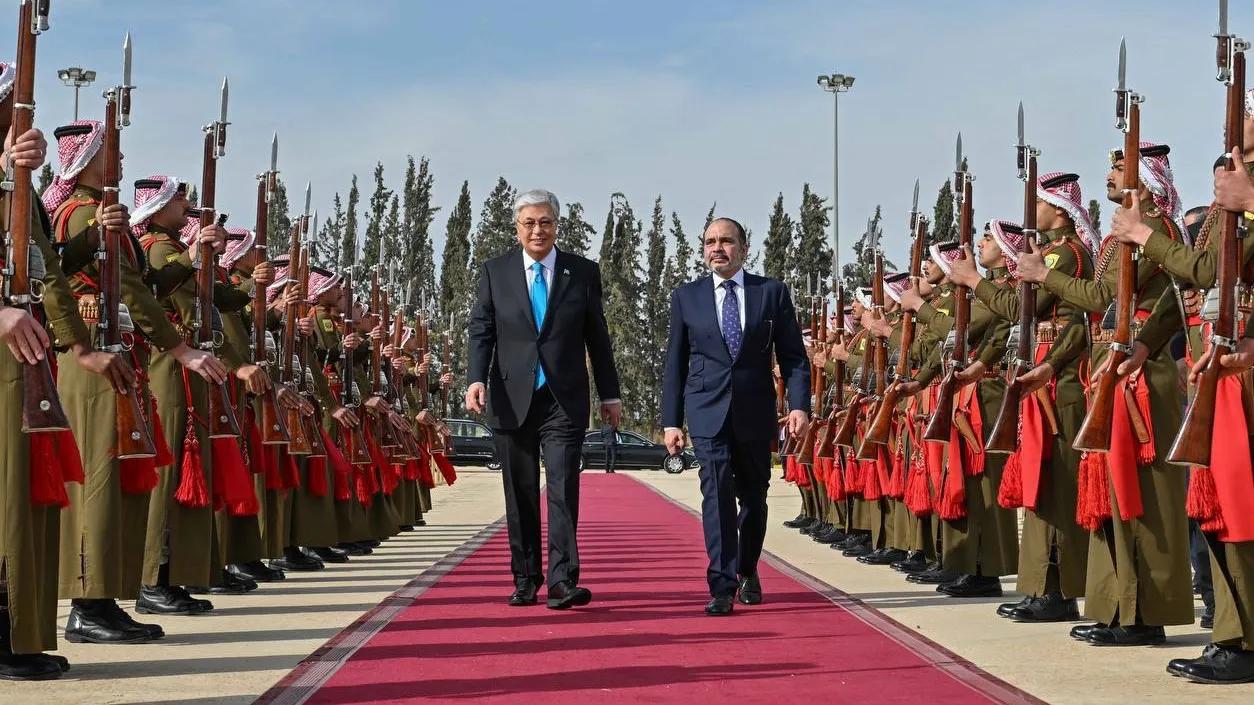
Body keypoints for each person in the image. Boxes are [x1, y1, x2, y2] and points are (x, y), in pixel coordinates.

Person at [45, 121, 227, 642]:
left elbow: (139, 285)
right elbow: (126, 289)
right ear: (89, 159)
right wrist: (179, 347)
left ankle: (103, 598)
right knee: (100, 482)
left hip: (117, 356)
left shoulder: (102, 217)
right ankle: (89, 603)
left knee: (117, 479)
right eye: (111, 154)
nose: (120, 163)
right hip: (96, 360)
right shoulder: (81, 212)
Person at [466, 188, 621, 610]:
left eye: (546, 222)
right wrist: (474, 379)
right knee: (519, 493)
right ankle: (525, 577)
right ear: (517, 228)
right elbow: (481, 330)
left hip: (562, 398)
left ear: (557, 225)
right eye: (530, 222)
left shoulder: (582, 272)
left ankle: (562, 580)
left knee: (562, 487)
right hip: (511, 397)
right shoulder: (495, 272)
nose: (538, 229)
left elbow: (598, 338)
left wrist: (610, 394)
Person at [661, 217, 809, 616]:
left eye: (726, 241)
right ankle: (722, 584)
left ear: (744, 247)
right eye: (710, 241)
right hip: (706, 411)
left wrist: (798, 406)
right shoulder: (686, 297)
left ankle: (747, 568)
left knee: (754, 497)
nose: (717, 248)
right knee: (717, 495)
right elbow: (674, 363)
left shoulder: (771, 293)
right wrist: (671, 421)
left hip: (755, 412)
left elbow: (794, 357)